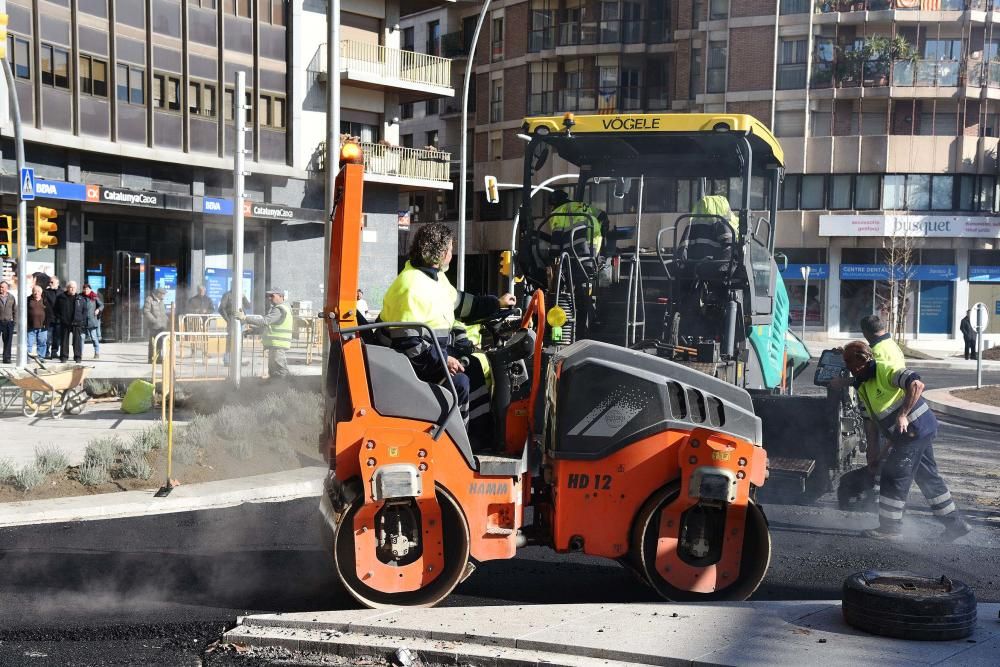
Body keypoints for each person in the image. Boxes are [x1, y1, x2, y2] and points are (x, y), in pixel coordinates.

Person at [379, 223, 515, 444]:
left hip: (428, 357)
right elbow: (409, 345)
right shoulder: (410, 286)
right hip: (410, 366)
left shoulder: (435, 278)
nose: (451, 254)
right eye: (450, 249)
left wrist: (496, 304)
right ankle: (455, 445)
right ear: (441, 254)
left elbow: (461, 305)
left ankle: (480, 439)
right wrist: (444, 360)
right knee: (460, 382)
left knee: (475, 368)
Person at [842, 341, 971, 541]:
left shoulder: (885, 370)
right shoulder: (863, 385)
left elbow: (916, 384)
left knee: (894, 476)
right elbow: (870, 424)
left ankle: (890, 528)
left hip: (916, 429)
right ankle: (955, 524)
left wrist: (903, 414)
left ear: (864, 359)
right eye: (846, 363)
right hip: (909, 434)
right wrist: (872, 455)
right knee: (928, 477)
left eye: (851, 362)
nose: (849, 367)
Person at [236, 287, 292, 378]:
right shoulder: (284, 308)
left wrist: (245, 318)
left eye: (272, 296)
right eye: (268, 296)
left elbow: (265, 321)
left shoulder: (279, 309)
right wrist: (254, 330)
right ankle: (277, 390)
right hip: (276, 345)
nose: (269, 298)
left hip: (277, 345)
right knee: (275, 372)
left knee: (281, 372)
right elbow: (270, 326)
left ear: (281, 296)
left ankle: (287, 389)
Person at [55, 281, 88, 363]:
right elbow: (56, 309)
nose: (73, 289)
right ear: (67, 288)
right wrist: (60, 318)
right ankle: (64, 357)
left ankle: (77, 357)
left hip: (77, 323)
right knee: (64, 341)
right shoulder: (61, 297)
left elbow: (85, 310)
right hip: (65, 323)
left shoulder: (80, 298)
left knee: (77, 341)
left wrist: (81, 319)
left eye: (74, 287)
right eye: (71, 287)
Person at [218, 289, 251, 365]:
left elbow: (248, 306)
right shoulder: (227, 295)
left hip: (241, 323)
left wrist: (244, 297)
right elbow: (221, 309)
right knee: (230, 341)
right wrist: (228, 320)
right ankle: (227, 361)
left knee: (239, 342)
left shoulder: (241, 296)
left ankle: (238, 361)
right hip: (232, 322)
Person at [143, 287, 168, 363]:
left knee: (160, 343)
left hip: (162, 326)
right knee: (153, 343)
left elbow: (163, 313)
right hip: (153, 326)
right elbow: (146, 311)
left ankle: (159, 358)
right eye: (163, 294)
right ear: (159, 294)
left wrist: (166, 319)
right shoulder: (149, 299)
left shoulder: (161, 301)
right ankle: (151, 359)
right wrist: (154, 320)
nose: (164, 296)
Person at [26, 284, 50, 359]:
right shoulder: (28, 300)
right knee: (29, 343)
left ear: (41, 292)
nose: (36, 293)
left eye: (38, 291)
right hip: (31, 326)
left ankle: (41, 357)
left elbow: (49, 313)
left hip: (42, 326)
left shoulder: (45, 300)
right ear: (32, 292)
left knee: (42, 343)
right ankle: (27, 357)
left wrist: (47, 323)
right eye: (34, 291)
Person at [82, 284, 104, 359]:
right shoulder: (80, 297)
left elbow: (101, 305)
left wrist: (98, 309)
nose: (86, 290)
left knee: (94, 338)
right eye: (84, 289)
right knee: (81, 338)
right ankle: (80, 354)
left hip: (92, 320)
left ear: (90, 289)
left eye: (87, 289)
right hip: (83, 321)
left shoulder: (94, 297)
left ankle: (97, 352)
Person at [44, 276, 62, 360]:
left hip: (58, 319)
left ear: (57, 283)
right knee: (47, 337)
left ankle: (54, 352)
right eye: (49, 282)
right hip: (49, 318)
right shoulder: (46, 292)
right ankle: (46, 352)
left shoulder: (62, 292)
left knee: (57, 337)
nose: (50, 284)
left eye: (52, 282)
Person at [0, 280, 15, 364]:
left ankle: (7, 358)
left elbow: (15, 310)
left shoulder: (11, 297)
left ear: (6, 288)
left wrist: (14, 321)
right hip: (0, 321)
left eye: (2, 287)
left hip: (9, 322)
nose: (1, 288)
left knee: (8, 341)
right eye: (0, 287)